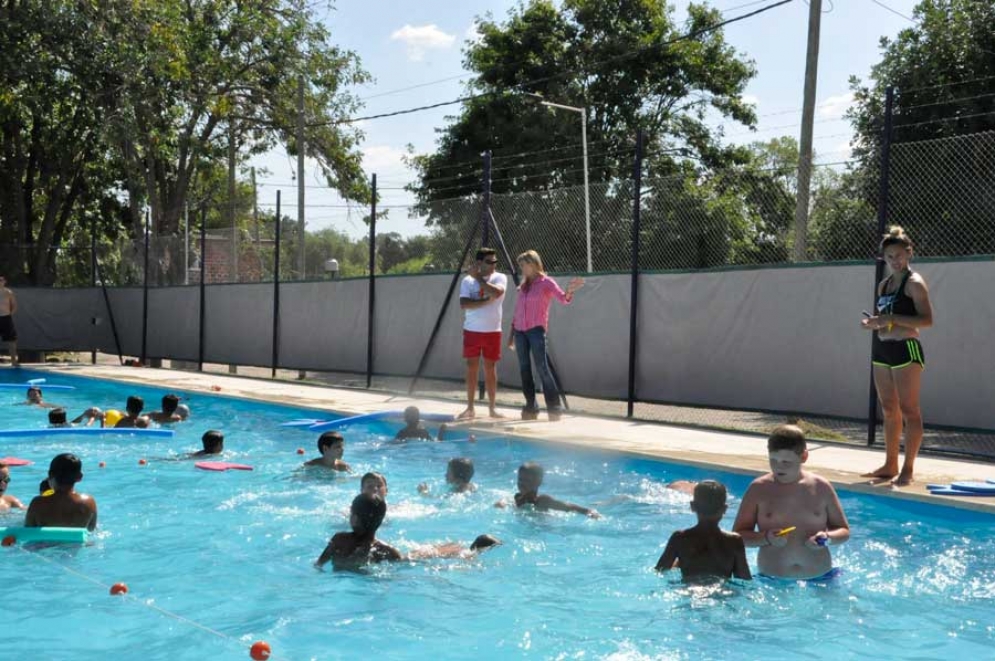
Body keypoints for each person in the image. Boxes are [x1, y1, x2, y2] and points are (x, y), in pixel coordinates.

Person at [861, 226, 934, 487]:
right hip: (883, 349)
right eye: (890, 256)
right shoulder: (884, 285)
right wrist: (874, 323)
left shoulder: (914, 283)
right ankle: (890, 464)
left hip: (906, 349)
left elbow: (926, 320)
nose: (895, 261)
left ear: (909, 253)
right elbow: (884, 318)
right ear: (885, 258)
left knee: (909, 410)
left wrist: (890, 319)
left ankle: (908, 468)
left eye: (899, 255)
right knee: (889, 408)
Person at [732, 425, 850, 580]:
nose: (778, 467)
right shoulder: (758, 489)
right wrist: (766, 537)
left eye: (786, 462)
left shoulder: (821, 487)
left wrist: (827, 538)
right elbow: (737, 537)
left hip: (821, 577)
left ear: (803, 457)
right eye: (773, 460)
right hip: (772, 579)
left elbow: (843, 530)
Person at [314, 493, 500, 569]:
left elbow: (319, 565)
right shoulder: (385, 550)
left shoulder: (338, 539)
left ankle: (473, 550)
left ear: (353, 517)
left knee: (423, 556)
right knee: (422, 555)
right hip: (400, 557)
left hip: (403, 558)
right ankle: (471, 550)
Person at [508, 250, 584, 421]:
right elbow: (518, 311)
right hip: (520, 332)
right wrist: (511, 334)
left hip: (536, 331)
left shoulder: (546, 283)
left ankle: (554, 408)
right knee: (524, 369)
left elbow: (563, 299)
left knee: (542, 368)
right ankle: (530, 407)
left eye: (524, 265)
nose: (522, 268)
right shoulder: (523, 286)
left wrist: (570, 291)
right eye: (520, 265)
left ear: (534, 264)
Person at [655, 480, 752, 582]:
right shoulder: (734, 541)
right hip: (721, 593)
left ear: (692, 506)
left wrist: (678, 563)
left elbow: (660, 570)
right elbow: (744, 578)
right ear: (724, 509)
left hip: (688, 590)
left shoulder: (680, 538)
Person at [458, 247, 507, 420]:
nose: (493, 264)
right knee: (471, 368)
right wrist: (486, 301)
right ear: (479, 263)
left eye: (495, 261)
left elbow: (496, 292)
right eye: (489, 261)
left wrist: (478, 278)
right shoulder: (466, 281)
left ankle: (492, 409)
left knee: (490, 368)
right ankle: (470, 408)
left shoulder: (500, 277)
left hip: (492, 331)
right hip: (471, 330)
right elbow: (464, 303)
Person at [24, 453, 98, 530]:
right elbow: (91, 530)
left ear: (50, 474)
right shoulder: (89, 502)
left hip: (45, 542)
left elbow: (28, 530)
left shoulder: (37, 503)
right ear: (80, 477)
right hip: (77, 542)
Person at [499, 461, 600, 518]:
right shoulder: (516, 498)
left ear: (538, 482)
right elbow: (505, 500)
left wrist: (589, 512)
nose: (522, 483)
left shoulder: (543, 500)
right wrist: (501, 503)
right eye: (520, 479)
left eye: (527, 480)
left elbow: (569, 507)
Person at [0, 275, 18, 366]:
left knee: (11, 340)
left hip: (6, 318)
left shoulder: (8, 292)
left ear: (4, 282)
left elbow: (14, 305)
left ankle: (14, 361)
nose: (0, 282)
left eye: (1, 280)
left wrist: (10, 313)